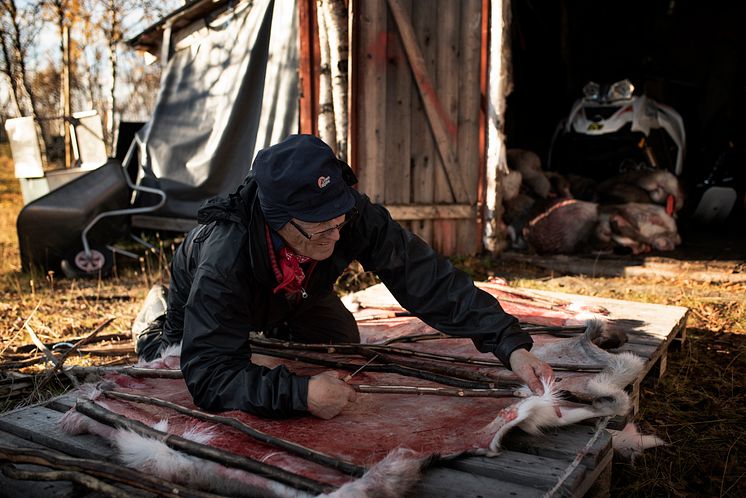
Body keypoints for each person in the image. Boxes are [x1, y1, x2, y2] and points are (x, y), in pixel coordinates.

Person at [133, 134, 555, 420]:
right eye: (320, 229)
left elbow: (423, 275)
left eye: (339, 221)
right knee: (172, 352)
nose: (336, 235)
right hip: (217, 287)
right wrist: (299, 396)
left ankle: (276, 325)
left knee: (340, 342)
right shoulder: (224, 258)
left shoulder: (347, 212)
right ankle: (156, 317)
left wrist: (508, 342)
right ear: (278, 220)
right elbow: (209, 376)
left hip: (294, 290)